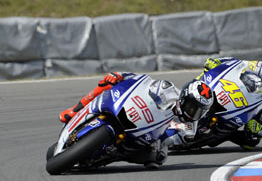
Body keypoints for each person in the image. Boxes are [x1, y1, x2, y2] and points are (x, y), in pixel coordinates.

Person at [59, 71, 214, 168]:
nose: (193, 113)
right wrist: (122, 76)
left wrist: (160, 139)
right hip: (139, 114)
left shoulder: (189, 130)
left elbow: (168, 139)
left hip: (152, 136)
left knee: (157, 159)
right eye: (192, 108)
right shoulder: (169, 89)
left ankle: (112, 155)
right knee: (108, 82)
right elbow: (144, 81)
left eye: (199, 111)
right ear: (184, 97)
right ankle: (75, 110)